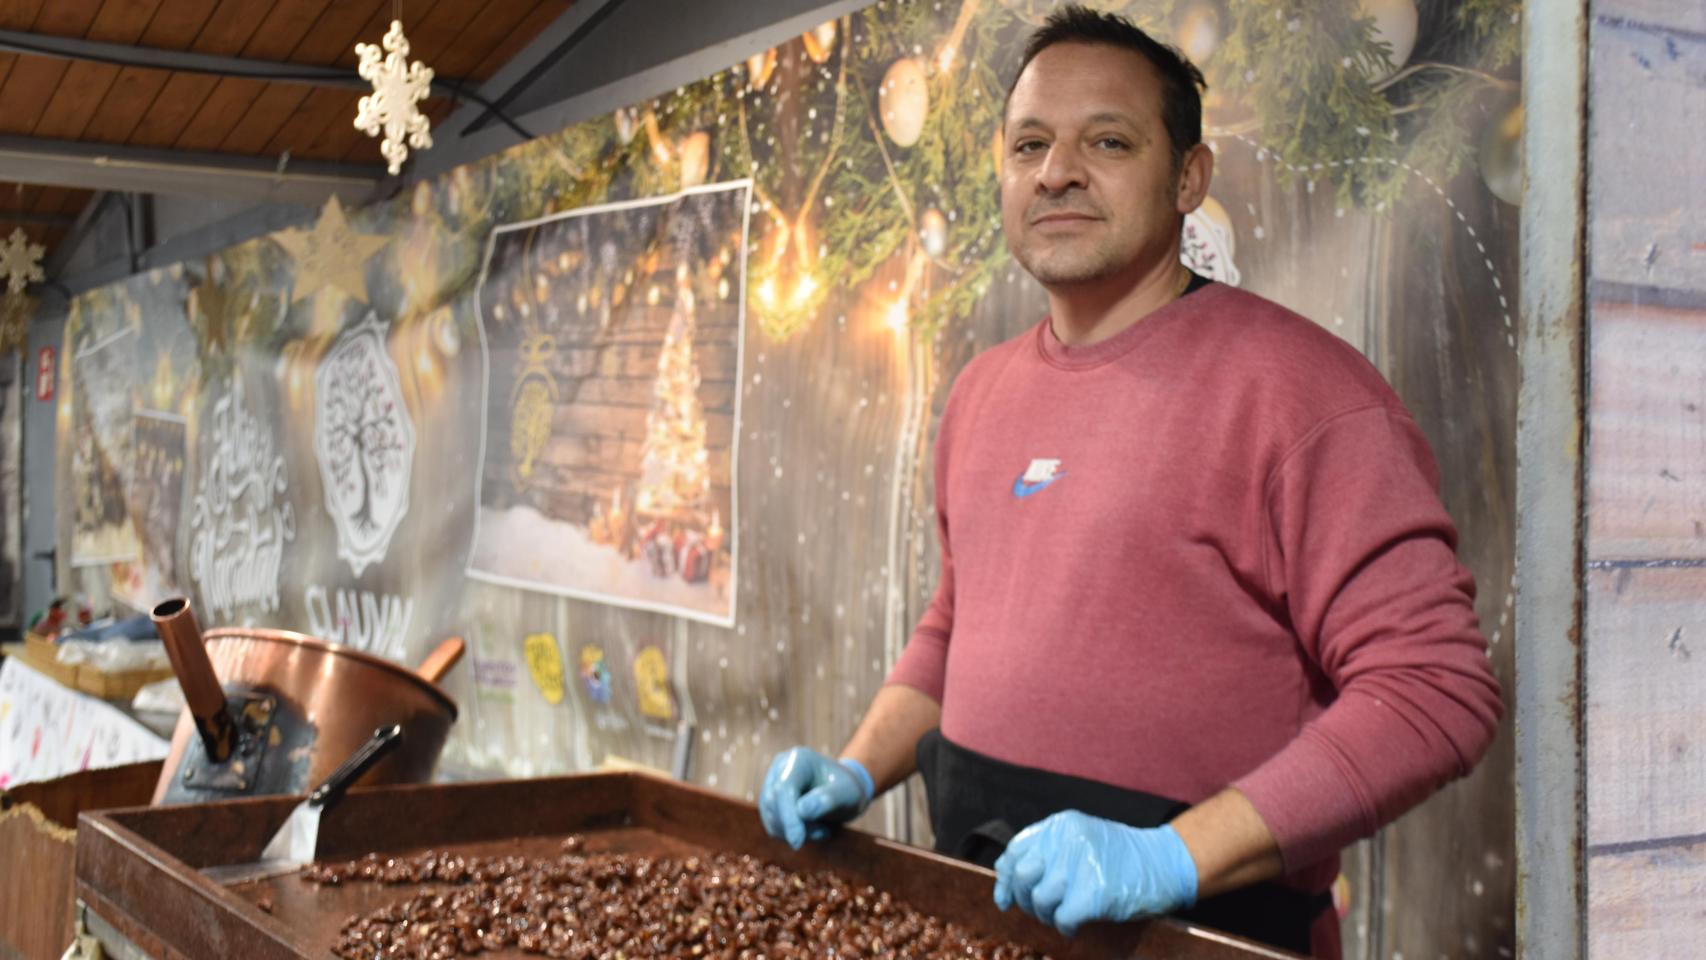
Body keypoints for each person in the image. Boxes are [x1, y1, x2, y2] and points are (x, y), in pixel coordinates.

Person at [758, 7, 1503, 957]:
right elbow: (957, 626)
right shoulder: (981, 391)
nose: (1056, 171)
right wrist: (857, 771)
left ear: (1188, 177)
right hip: (992, 924)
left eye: (1106, 140)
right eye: (1030, 143)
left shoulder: (1304, 393)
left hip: (1209, 935)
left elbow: (1435, 692)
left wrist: (1169, 859)